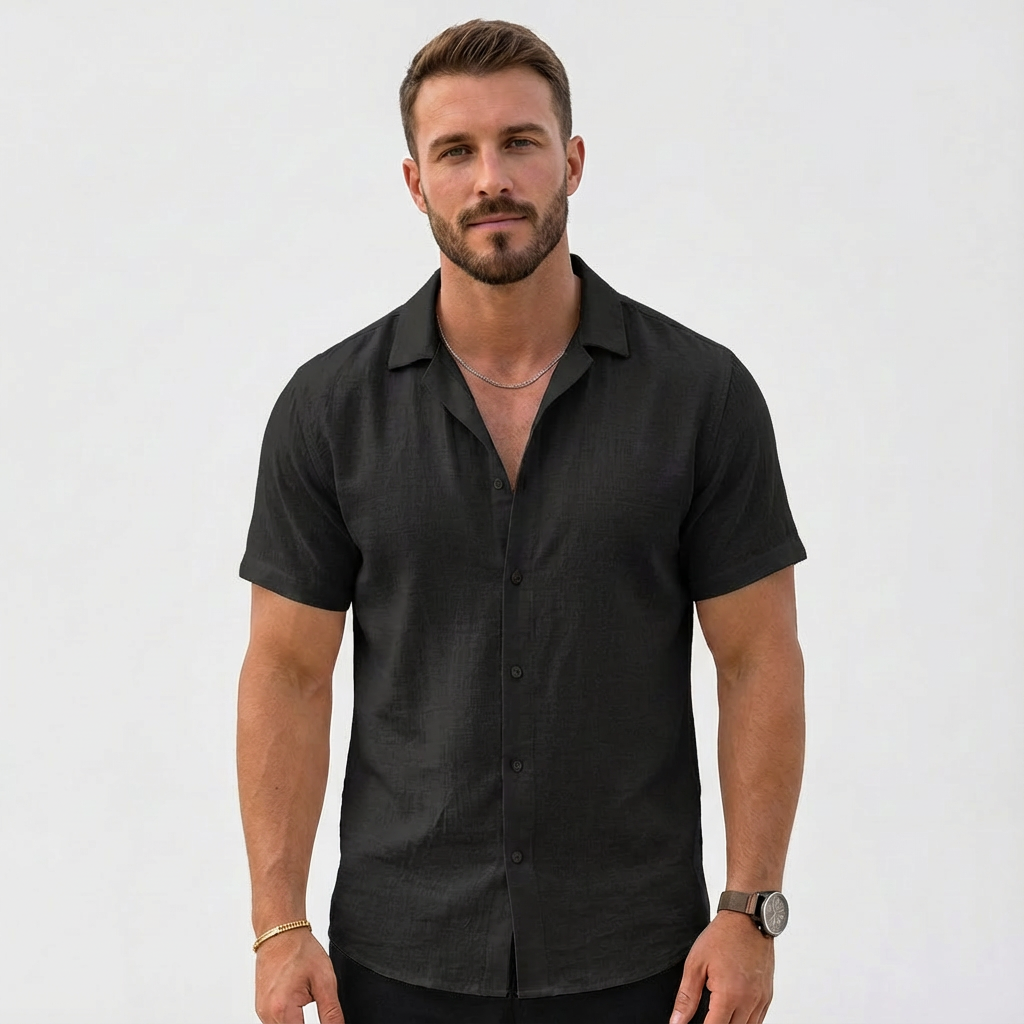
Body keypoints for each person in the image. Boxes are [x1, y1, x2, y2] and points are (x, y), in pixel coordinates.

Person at [236, 18, 806, 1024]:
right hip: (398, 958)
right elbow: (287, 672)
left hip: (643, 959)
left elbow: (757, 659)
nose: (490, 178)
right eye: (456, 151)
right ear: (415, 182)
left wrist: (750, 911)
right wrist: (278, 926)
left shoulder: (700, 396)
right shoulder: (328, 410)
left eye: (520, 142)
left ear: (572, 162)